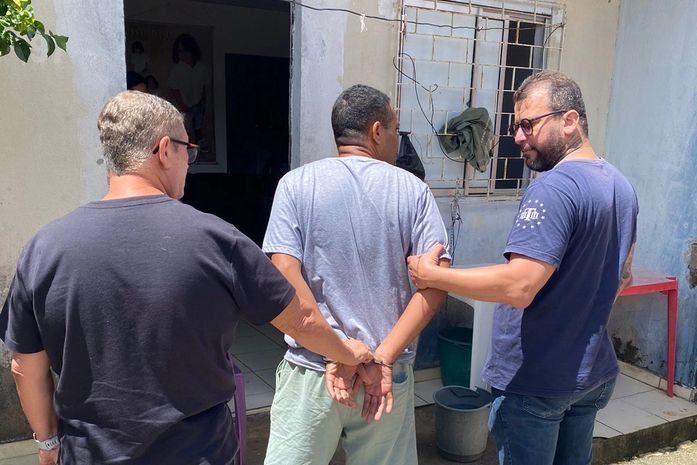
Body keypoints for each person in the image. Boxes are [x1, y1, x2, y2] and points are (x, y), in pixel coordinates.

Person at [0, 90, 371, 465]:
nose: (189, 164)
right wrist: (348, 353)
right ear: (164, 150)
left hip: (89, 455)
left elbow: (24, 365)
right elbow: (301, 318)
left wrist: (47, 442)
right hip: (199, 453)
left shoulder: (44, 248)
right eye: (187, 150)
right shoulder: (216, 240)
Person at [407, 71, 638, 465]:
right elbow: (622, 276)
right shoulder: (620, 186)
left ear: (569, 120)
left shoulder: (554, 187)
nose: (517, 137)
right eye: (516, 126)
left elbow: (519, 286)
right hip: (590, 373)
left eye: (528, 124)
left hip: (537, 381)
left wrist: (432, 276)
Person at [262, 84, 451, 465]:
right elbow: (435, 285)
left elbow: (281, 278)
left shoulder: (295, 185)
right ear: (377, 131)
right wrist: (382, 357)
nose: (397, 139)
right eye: (395, 128)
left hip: (313, 370)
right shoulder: (414, 192)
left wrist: (339, 351)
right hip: (385, 376)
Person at [167, 33, 209, 150]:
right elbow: (174, 89)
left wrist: (203, 101)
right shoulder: (177, 69)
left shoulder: (201, 67)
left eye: (186, 51)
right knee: (188, 128)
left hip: (198, 103)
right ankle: (190, 149)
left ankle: (200, 144)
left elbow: (204, 87)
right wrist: (182, 104)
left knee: (199, 126)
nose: (183, 54)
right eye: (180, 51)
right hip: (185, 106)